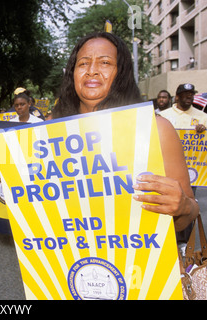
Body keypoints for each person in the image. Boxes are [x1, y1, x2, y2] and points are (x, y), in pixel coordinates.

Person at [50, 32, 198, 234]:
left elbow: (187, 215)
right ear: (72, 73)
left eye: (105, 63)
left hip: (139, 261)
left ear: (121, 72)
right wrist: (4, 151)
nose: (92, 71)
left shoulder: (157, 129)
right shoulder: (49, 131)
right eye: (83, 63)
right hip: (65, 260)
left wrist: (183, 207)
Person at [159, 83, 207, 248]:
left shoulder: (202, 116)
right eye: (185, 94)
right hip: (168, 169)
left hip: (193, 170)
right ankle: (168, 240)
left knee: (188, 202)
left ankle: (184, 243)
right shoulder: (164, 116)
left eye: (191, 94)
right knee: (168, 203)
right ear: (177, 97)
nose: (189, 97)